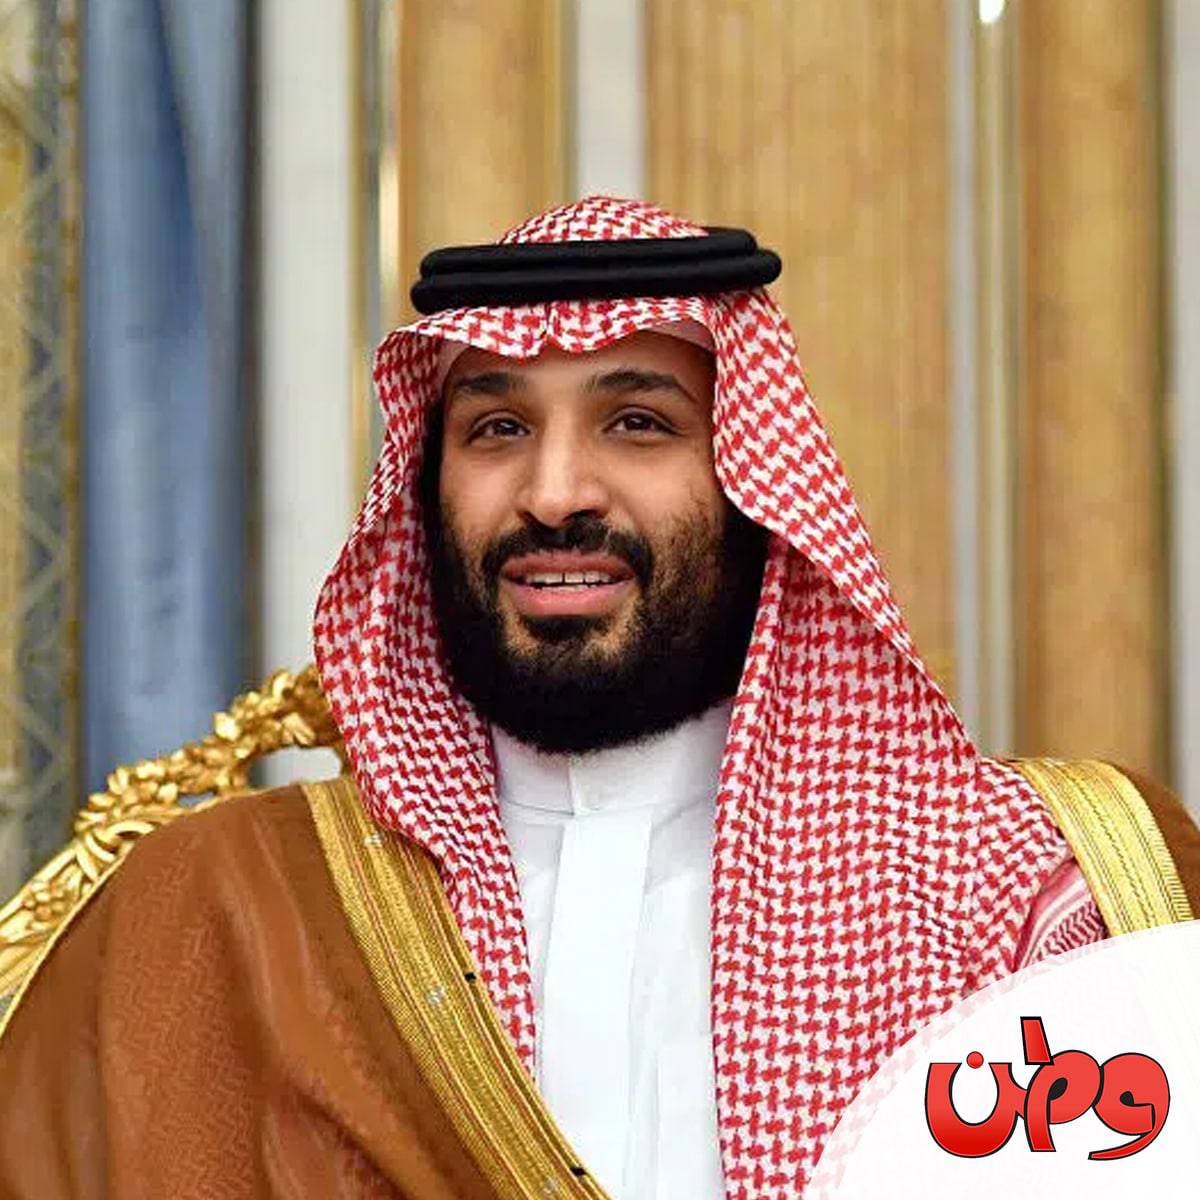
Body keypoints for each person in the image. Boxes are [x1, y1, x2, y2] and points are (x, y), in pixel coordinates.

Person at [0, 196, 1196, 1200]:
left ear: (756, 487)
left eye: (637, 423)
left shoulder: (1049, 896)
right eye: (497, 428)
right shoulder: (220, 913)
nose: (555, 491)